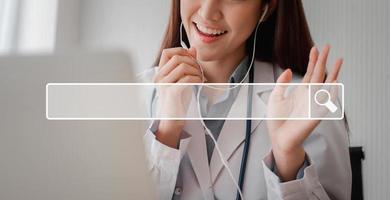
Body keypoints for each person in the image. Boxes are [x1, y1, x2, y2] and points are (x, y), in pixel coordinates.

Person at [141, 0, 352, 199]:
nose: (207, 12)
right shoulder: (135, 93)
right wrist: (167, 132)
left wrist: (288, 158)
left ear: (266, 7)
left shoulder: (309, 100)